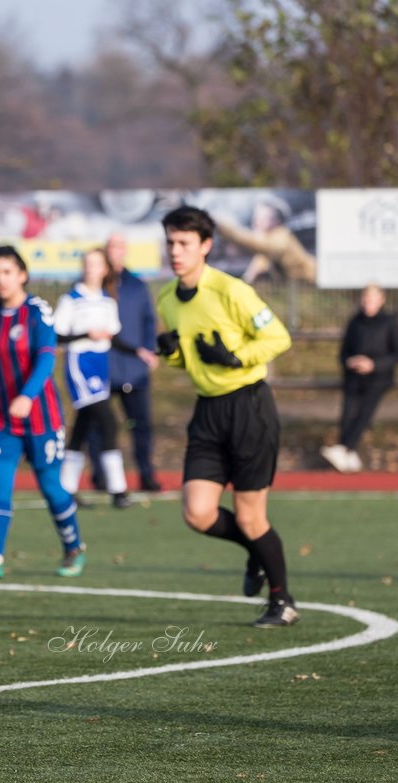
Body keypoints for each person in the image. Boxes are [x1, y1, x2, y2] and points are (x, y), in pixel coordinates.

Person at [155, 205, 297, 628]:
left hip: (249, 407)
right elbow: (188, 364)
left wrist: (237, 358)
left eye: (184, 243)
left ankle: (283, 600)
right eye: (171, 243)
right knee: (197, 513)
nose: (175, 251)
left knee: (252, 517)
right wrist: (174, 355)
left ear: (206, 246)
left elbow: (278, 337)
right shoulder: (167, 299)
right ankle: (256, 551)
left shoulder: (231, 290)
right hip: (208, 411)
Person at [0, 246, 86, 580]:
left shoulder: (37, 312)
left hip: (41, 420)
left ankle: (74, 547)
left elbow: (47, 357)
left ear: (22, 275)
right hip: (2, 422)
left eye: (7, 272)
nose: (0, 280)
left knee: (51, 488)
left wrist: (28, 396)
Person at [52, 248, 134, 509]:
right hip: (80, 364)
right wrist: (87, 334)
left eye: (96, 264)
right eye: (87, 264)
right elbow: (58, 335)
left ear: (105, 269)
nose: (91, 269)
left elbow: (114, 336)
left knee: (83, 427)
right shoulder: (71, 299)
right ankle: (118, 490)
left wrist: (140, 351)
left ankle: (65, 489)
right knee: (108, 422)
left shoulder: (108, 301)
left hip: (101, 365)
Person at [90, 233, 161, 492]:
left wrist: (149, 352)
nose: (115, 251)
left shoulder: (137, 286)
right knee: (100, 426)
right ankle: (100, 476)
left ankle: (146, 474)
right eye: (111, 246)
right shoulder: (92, 288)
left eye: (120, 246)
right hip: (102, 368)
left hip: (134, 371)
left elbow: (148, 322)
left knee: (141, 426)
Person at [321, 284, 398, 473]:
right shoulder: (355, 322)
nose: (368, 303)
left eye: (372, 299)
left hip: (379, 379)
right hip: (353, 378)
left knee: (363, 414)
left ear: (381, 300)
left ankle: (344, 449)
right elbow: (343, 353)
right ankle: (347, 453)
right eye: (365, 299)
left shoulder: (389, 322)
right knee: (347, 414)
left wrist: (374, 364)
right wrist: (351, 362)